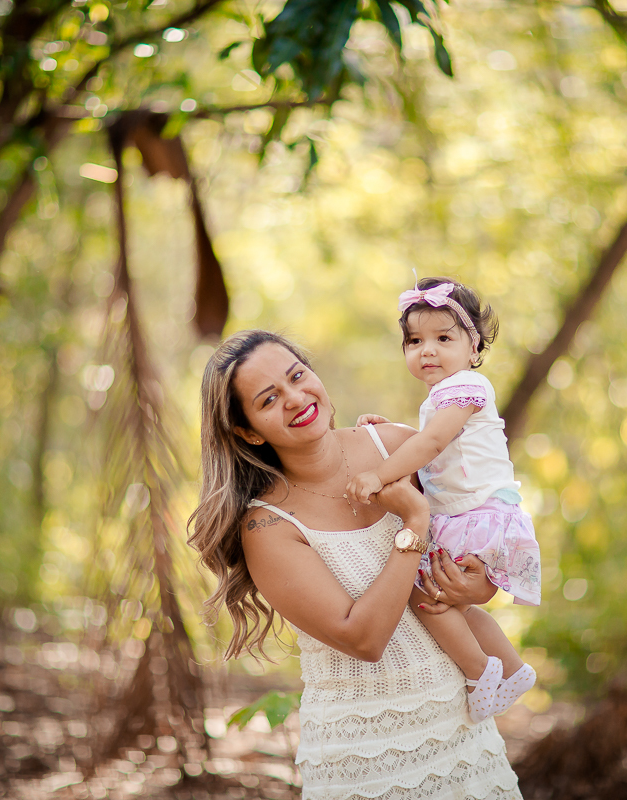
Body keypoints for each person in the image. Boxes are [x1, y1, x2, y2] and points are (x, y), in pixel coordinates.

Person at [187, 330, 522, 799]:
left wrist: (479, 586)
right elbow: (363, 638)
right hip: (364, 758)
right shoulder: (267, 526)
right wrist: (414, 522)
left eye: (297, 376)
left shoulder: (398, 445)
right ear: (248, 431)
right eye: (269, 399)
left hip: (462, 739)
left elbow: (481, 539)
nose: (295, 398)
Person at [347, 278, 540, 724]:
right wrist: (389, 430)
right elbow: (439, 443)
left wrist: (379, 472)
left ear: (473, 349)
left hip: (478, 513)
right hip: (475, 511)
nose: (426, 350)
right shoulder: (446, 397)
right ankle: (511, 669)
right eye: (415, 340)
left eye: (443, 338)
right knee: (453, 603)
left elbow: (433, 443)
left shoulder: (466, 386)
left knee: (423, 594)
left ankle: (480, 673)